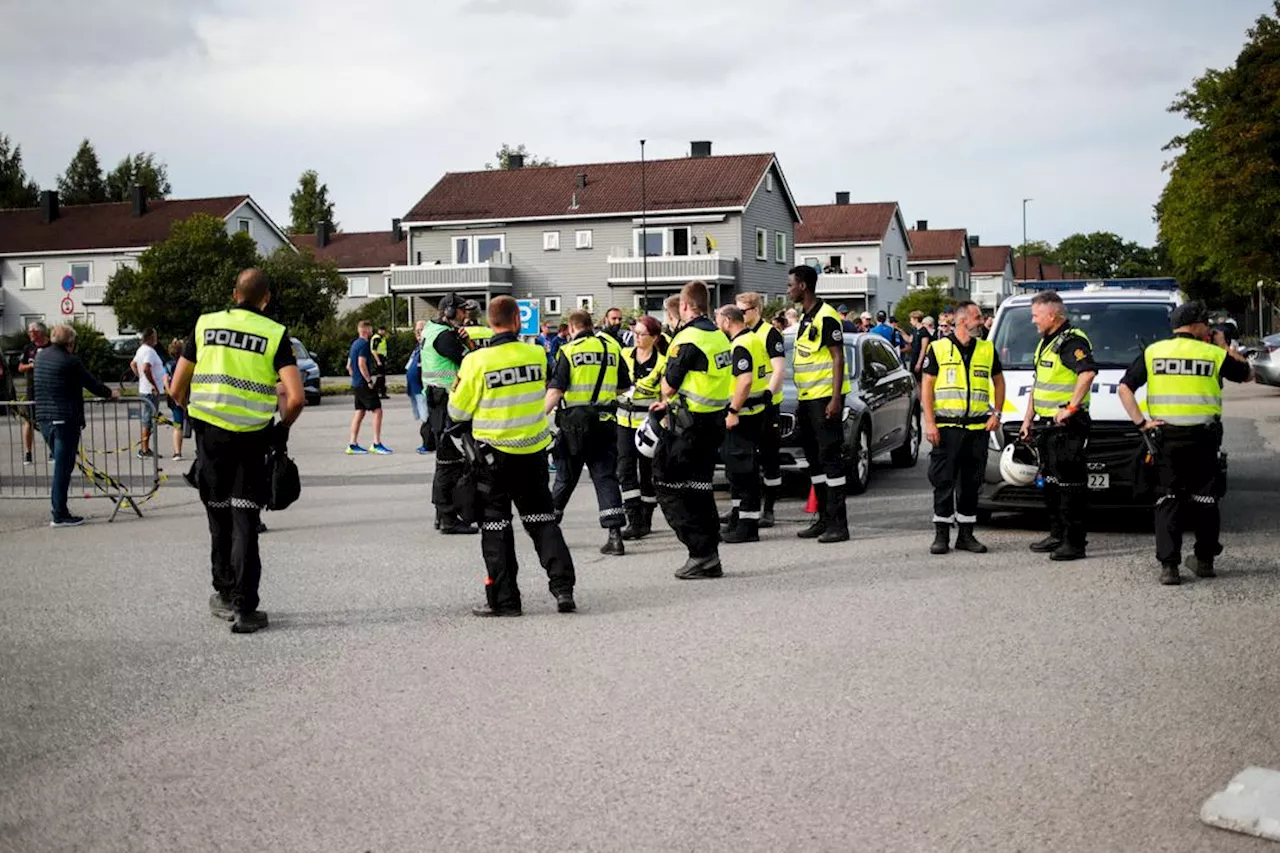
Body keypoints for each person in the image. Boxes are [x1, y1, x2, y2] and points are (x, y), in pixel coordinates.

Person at [168, 268, 305, 634]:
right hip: (251, 436)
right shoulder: (274, 333)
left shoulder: (205, 325)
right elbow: (296, 397)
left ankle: (224, 594)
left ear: (234, 294)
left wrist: (190, 415)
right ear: (266, 298)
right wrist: (281, 428)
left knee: (218, 516)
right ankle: (245, 609)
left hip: (209, 435)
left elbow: (177, 387)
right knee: (245, 519)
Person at [447, 296, 577, 617]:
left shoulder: (477, 361)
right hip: (532, 453)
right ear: (518, 320)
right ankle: (563, 589)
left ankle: (506, 601)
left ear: (490, 323)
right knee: (543, 522)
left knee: (496, 528)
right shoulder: (536, 353)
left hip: (493, 458)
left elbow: (457, 410)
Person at [1117, 301, 1253, 585]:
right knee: (1206, 499)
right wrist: (1223, 345)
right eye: (1206, 323)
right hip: (1203, 438)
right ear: (1197, 325)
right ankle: (1204, 561)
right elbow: (1248, 374)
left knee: (1168, 499)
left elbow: (1124, 387)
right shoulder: (1212, 354)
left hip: (1166, 438)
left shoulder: (1154, 352)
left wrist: (1141, 423)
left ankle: (1170, 567)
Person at [651, 280, 733, 578]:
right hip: (713, 422)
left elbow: (669, 385)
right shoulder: (719, 336)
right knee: (700, 487)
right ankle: (710, 552)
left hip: (688, 426)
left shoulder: (687, 339)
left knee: (666, 485)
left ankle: (700, 552)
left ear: (684, 306)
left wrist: (664, 398)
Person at [1017, 290, 1098, 562]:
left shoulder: (1071, 340)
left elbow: (1087, 372)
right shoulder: (1045, 343)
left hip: (1068, 427)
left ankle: (1074, 542)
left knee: (1070, 485)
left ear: (1052, 315)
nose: (1033, 321)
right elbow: (1038, 385)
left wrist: (1071, 407)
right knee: (1051, 482)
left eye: (1036, 315)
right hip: (1046, 425)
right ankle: (1056, 534)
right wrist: (1028, 419)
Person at [921, 301, 1005, 555]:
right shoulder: (938, 348)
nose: (981, 321)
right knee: (944, 480)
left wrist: (997, 413)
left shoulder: (987, 349)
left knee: (971, 482)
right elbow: (926, 386)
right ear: (961, 321)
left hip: (977, 427)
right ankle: (941, 535)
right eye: (977, 317)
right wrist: (930, 422)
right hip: (947, 427)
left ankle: (966, 535)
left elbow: (999, 382)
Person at [545, 309, 630, 556]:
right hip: (604, 422)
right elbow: (624, 386)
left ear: (572, 329)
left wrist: (538, 419)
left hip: (574, 426)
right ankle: (615, 537)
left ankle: (548, 528)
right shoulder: (612, 349)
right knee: (605, 477)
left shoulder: (568, 351)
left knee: (565, 478)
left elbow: (556, 390)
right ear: (591, 326)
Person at [787, 265, 851, 543]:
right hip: (807, 399)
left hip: (825, 399)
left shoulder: (826, 317)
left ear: (803, 286)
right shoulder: (806, 316)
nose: (788, 289)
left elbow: (838, 357)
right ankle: (823, 518)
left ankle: (839, 524)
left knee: (830, 459)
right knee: (813, 460)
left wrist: (836, 398)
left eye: (791, 284)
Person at [33, 324, 118, 527]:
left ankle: (59, 510)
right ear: (70, 343)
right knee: (63, 468)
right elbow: (91, 383)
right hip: (64, 420)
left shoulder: (41, 357)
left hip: (44, 418)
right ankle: (59, 513)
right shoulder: (70, 361)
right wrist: (110, 393)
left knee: (61, 466)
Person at [715, 304, 772, 544]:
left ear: (727, 321)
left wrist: (733, 410)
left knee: (743, 471)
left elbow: (745, 380)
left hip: (743, 414)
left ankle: (747, 527)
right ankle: (740, 518)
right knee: (740, 470)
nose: (718, 324)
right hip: (756, 410)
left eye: (719, 319)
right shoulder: (754, 339)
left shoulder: (740, 344)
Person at [422, 295, 475, 534]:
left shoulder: (433, 330)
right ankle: (448, 519)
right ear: (450, 311)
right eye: (462, 311)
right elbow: (470, 363)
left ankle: (442, 515)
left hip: (438, 401)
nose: (465, 316)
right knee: (449, 462)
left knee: (447, 461)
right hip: (445, 402)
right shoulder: (444, 336)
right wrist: (470, 345)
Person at [737, 291, 787, 527]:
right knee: (744, 459)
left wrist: (769, 393)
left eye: (743, 311)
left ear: (756, 310)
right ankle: (743, 507)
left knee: (769, 457)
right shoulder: (739, 335)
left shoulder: (769, 333)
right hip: (747, 408)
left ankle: (769, 508)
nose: (739, 315)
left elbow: (778, 368)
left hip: (767, 405)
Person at [616, 315, 666, 540]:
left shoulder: (663, 362)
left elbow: (665, 396)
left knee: (647, 473)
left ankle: (646, 517)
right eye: (635, 333)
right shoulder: (624, 355)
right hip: (623, 422)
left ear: (654, 338)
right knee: (625, 470)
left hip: (647, 426)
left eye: (642, 334)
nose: (636, 337)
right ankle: (633, 519)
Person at [346, 320, 392, 455]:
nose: (372, 333)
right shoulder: (365, 344)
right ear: (365, 331)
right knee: (377, 410)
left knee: (359, 411)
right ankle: (376, 443)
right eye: (371, 330)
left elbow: (349, 365)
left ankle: (352, 443)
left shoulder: (354, 343)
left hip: (356, 383)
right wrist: (368, 380)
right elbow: (361, 364)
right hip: (363, 383)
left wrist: (355, 378)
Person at [18, 321, 52, 465]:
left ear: (39, 332)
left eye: (31, 331)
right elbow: (20, 367)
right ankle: (28, 453)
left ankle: (53, 451)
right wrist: (32, 365)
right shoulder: (29, 348)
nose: (29, 334)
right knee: (28, 421)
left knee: (50, 420)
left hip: (49, 388)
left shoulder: (52, 346)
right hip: (32, 388)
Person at [131, 329, 166, 459]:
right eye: (155, 336)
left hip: (145, 388)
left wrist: (140, 377)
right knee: (149, 419)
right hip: (150, 391)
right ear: (151, 337)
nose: (156, 338)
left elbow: (133, 364)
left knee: (149, 418)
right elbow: (146, 368)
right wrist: (153, 385)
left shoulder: (141, 349)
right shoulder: (149, 351)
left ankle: (146, 448)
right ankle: (145, 449)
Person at [406, 319, 430, 454]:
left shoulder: (427, 347)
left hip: (422, 389)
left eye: (421, 330)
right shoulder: (417, 348)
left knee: (426, 418)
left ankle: (427, 443)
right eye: (417, 331)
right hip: (414, 389)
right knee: (422, 417)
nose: (418, 333)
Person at [163, 338, 187, 461]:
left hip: (174, 397)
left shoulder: (168, 365)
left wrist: (171, 392)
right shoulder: (187, 363)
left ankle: (177, 452)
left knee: (177, 425)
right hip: (188, 395)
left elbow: (165, 380)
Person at [909, 311, 933, 380]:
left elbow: (923, 348)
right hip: (913, 357)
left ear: (916, 319)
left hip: (919, 359)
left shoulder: (923, 331)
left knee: (920, 380)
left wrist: (919, 363)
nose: (910, 322)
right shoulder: (914, 330)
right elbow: (910, 340)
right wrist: (901, 331)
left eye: (911, 319)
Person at [370, 325, 389, 399]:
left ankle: (382, 393)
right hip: (378, 357)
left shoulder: (381, 338)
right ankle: (375, 392)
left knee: (382, 376)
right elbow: (374, 350)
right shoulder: (377, 338)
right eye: (383, 331)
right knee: (380, 376)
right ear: (380, 330)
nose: (384, 332)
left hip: (381, 358)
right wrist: (378, 361)